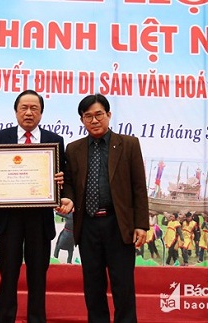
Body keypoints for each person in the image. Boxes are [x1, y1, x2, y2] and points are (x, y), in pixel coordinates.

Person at [0, 90, 69, 323]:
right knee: (8, 274)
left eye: (34, 108)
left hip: (40, 218)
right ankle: (5, 318)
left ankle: (37, 319)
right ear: (16, 111)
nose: (28, 113)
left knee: (38, 275)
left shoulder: (54, 139)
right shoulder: (1, 136)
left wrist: (60, 183)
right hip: (8, 218)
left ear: (41, 112)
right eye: (23, 108)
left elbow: (64, 178)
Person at [61, 93, 149, 323]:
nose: (94, 120)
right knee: (93, 285)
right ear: (82, 120)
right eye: (87, 116)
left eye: (98, 114)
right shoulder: (74, 148)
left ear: (109, 115)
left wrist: (141, 224)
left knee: (123, 285)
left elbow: (139, 186)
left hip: (118, 225)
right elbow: (69, 182)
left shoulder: (128, 144)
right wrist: (68, 198)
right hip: (88, 225)